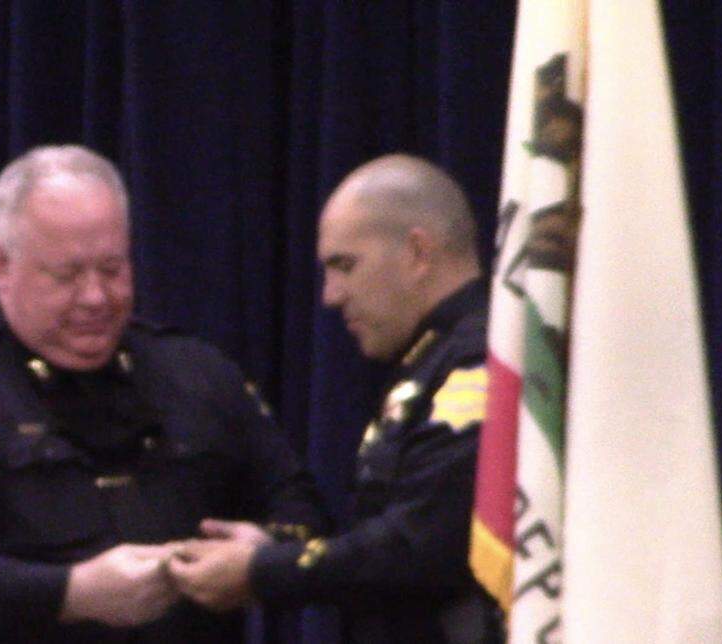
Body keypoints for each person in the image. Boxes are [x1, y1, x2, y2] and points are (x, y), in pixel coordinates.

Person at [0, 144, 327, 642]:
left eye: (113, 269)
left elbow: (301, 508)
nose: (96, 297)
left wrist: (262, 553)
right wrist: (70, 593)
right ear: (1, 263)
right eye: (67, 275)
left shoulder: (197, 374)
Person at [168, 154, 502, 643]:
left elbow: (419, 547)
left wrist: (264, 569)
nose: (330, 295)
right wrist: (270, 553)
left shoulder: (479, 363)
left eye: (345, 266)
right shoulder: (430, 362)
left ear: (417, 253)